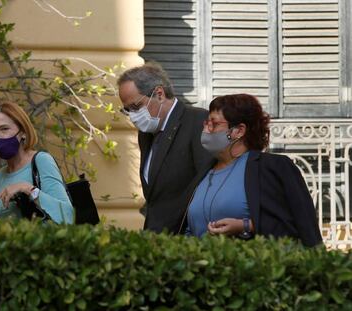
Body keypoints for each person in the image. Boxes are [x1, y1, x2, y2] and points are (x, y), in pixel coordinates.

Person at [184, 94, 322, 247]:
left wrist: (246, 226)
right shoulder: (204, 172)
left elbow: (300, 226)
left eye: (214, 124)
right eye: (206, 123)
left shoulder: (272, 167)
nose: (206, 129)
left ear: (238, 131)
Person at [118, 62, 211, 233]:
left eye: (136, 107)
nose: (132, 116)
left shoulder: (198, 121)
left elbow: (205, 186)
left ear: (159, 94)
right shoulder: (146, 134)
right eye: (127, 110)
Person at [0, 102, 74, 224]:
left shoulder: (41, 161)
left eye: (4, 129)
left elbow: (67, 215)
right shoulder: (0, 176)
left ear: (23, 132)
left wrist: (26, 188)